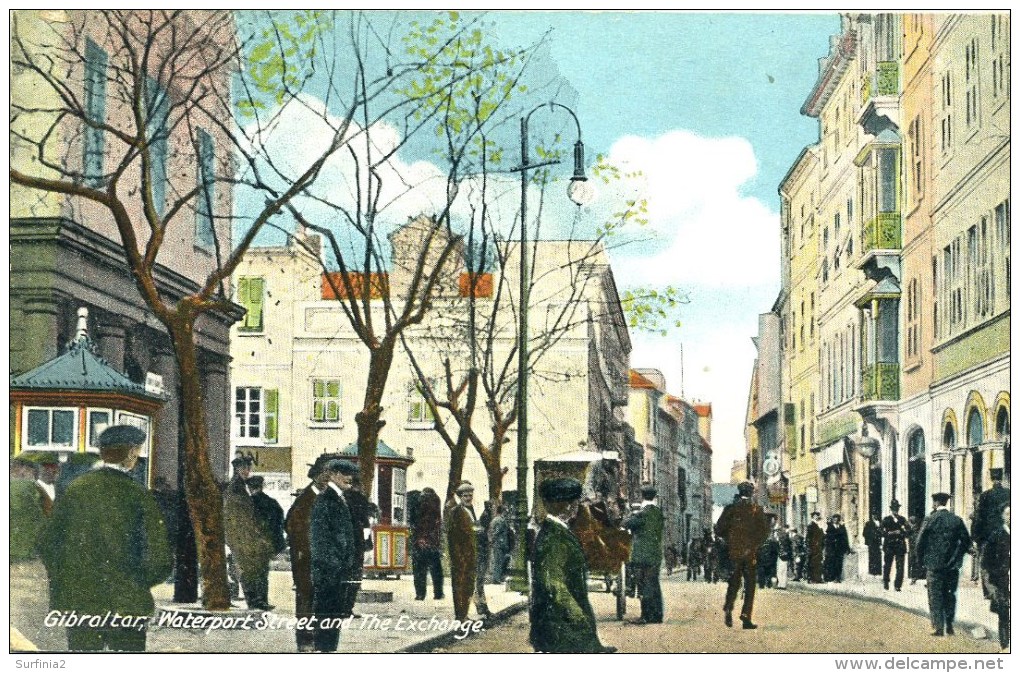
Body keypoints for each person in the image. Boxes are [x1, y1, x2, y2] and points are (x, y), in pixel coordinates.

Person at [39, 425, 171, 651]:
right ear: (131, 454)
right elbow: (160, 558)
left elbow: (47, 542)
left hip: (81, 603)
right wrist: (136, 582)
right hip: (128, 604)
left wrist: (70, 577)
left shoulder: (75, 490)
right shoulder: (138, 494)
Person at [529, 477, 615, 653]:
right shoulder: (554, 538)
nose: (578, 507)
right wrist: (578, 616)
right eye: (576, 503)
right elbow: (554, 584)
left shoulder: (558, 531)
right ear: (567, 506)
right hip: (561, 630)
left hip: (566, 629)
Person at [285, 453, 334, 652]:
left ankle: (317, 636)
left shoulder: (326, 497)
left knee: (319, 597)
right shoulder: (306, 498)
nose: (326, 477)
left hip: (321, 558)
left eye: (329, 473)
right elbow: (291, 525)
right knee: (306, 596)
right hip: (306, 557)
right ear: (315, 475)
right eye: (323, 473)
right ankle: (305, 639)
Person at [310, 459, 359, 653]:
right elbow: (320, 540)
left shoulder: (338, 499)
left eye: (351, 474)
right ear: (332, 474)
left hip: (337, 571)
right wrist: (335, 565)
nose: (350, 478)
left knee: (332, 618)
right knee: (326, 618)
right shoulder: (325, 501)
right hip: (329, 572)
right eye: (344, 473)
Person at [714, 480, 769, 629]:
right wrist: (755, 545)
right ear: (751, 493)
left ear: (739, 492)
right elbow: (764, 532)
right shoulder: (756, 509)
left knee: (734, 582)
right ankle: (746, 616)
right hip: (750, 553)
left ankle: (729, 607)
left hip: (734, 552)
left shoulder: (731, 509)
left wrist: (729, 539)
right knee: (750, 585)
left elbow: (719, 529)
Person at [223, 454, 275, 610]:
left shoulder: (242, 486)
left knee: (251, 568)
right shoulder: (235, 488)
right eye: (244, 468)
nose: (247, 471)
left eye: (248, 468)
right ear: (237, 469)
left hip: (246, 535)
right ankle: (254, 602)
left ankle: (257, 601)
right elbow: (234, 516)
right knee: (246, 570)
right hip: (241, 536)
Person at [917, 492, 972, 637]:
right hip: (952, 566)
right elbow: (967, 541)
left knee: (935, 596)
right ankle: (949, 625)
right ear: (946, 503)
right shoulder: (956, 520)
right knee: (950, 595)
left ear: (935, 503)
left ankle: (938, 627)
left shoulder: (930, 519)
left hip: (934, 565)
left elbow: (919, 542)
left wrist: (920, 561)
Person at [624, 484, 664, 624]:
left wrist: (631, 513)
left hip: (642, 555)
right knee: (654, 585)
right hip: (655, 555)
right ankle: (657, 616)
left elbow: (626, 523)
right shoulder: (658, 512)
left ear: (642, 496)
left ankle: (645, 616)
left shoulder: (642, 513)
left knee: (644, 586)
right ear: (654, 496)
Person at [246, 475, 286, 610]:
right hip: (267, 544)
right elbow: (280, 520)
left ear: (250, 487)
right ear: (261, 486)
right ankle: (263, 600)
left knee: (252, 573)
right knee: (263, 573)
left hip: (252, 543)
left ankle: (255, 600)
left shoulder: (249, 503)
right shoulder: (272, 502)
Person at [447, 481, 485, 620]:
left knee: (468, 585)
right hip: (461, 555)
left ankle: (464, 613)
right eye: (465, 496)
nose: (468, 498)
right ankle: (460, 615)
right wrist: (457, 557)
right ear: (460, 497)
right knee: (460, 586)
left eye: (470, 495)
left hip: (471, 554)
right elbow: (453, 536)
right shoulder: (456, 511)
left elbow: (472, 528)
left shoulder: (471, 510)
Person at [341, 474, 376, 619]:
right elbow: (366, 525)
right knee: (355, 577)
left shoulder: (340, 498)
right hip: (357, 544)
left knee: (342, 575)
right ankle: (348, 608)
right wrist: (367, 543)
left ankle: (339, 607)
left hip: (343, 544)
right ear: (358, 485)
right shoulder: (361, 500)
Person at [980, 504, 1009, 652]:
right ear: (1003, 517)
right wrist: (989, 586)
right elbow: (984, 563)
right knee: (1005, 614)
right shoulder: (996, 536)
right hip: (1002, 582)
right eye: (1008, 514)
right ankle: (1005, 646)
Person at [411, 487, 445, 600]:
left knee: (419, 569)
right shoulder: (436, 502)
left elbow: (416, 523)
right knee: (436, 569)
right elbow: (437, 524)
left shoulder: (418, 502)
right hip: (433, 541)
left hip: (420, 541)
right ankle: (438, 593)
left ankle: (420, 594)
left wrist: (419, 538)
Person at [881, 499, 910, 591]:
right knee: (887, 565)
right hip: (889, 545)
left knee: (900, 566)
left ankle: (898, 585)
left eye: (896, 508)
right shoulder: (886, 519)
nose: (895, 510)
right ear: (891, 509)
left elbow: (909, 531)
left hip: (900, 546)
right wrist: (890, 533)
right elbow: (880, 531)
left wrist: (901, 533)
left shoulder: (902, 519)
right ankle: (886, 581)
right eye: (894, 508)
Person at [488, 504, 512, 584]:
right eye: (506, 511)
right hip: (500, 543)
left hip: (498, 543)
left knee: (499, 560)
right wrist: (493, 540)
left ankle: (497, 578)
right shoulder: (500, 520)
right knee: (498, 561)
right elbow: (496, 532)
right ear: (503, 511)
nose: (507, 513)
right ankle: (496, 579)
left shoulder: (495, 519)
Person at [824, 514, 851, 582]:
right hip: (832, 549)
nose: (835, 520)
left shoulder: (842, 527)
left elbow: (845, 538)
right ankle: (831, 577)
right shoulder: (829, 527)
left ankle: (838, 577)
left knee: (839, 563)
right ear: (833, 520)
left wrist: (847, 548)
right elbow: (827, 538)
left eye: (837, 519)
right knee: (832, 563)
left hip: (840, 548)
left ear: (838, 520)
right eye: (834, 519)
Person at [806, 511, 825, 583]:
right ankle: (811, 579)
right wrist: (810, 547)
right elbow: (809, 538)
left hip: (818, 547)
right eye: (816, 516)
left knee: (818, 563)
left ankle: (817, 578)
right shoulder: (811, 525)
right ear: (813, 517)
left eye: (818, 516)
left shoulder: (817, 525)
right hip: (813, 548)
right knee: (812, 563)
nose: (817, 517)